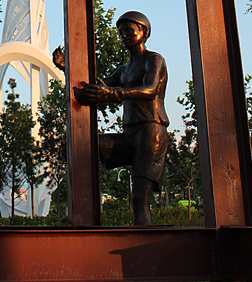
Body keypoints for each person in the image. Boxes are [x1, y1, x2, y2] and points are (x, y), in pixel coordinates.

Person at [53, 11, 169, 225]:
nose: (124, 36)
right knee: (87, 146)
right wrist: (66, 68)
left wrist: (113, 94)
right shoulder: (124, 70)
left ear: (143, 32)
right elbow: (98, 87)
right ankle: (81, 212)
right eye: (121, 32)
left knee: (139, 199)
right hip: (129, 134)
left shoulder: (154, 60)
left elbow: (150, 89)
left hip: (150, 133)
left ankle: (145, 247)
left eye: (129, 31)